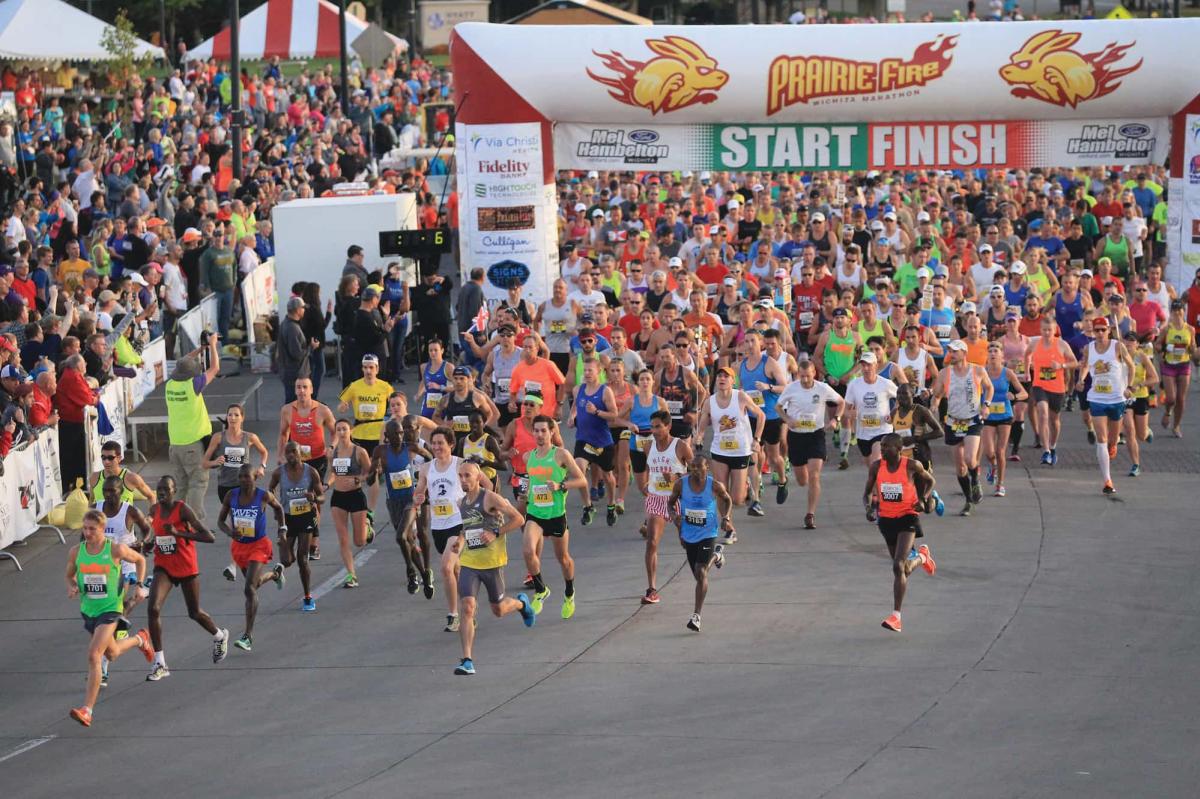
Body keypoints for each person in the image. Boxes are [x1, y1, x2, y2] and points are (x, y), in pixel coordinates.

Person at [66, 508, 155, 727]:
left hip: (111, 609)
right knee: (112, 653)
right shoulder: (76, 551)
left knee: (94, 654)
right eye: (85, 528)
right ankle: (140, 639)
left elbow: (140, 561)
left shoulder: (115, 549)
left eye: (92, 529)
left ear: (103, 529)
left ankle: (87, 709)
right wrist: (73, 586)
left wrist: (140, 585)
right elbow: (69, 574)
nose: (87, 533)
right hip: (89, 610)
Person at [144, 475, 230, 681]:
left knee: (194, 612)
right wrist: (147, 545)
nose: (162, 493)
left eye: (166, 489)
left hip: (186, 567)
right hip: (163, 566)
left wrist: (179, 534)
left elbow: (209, 537)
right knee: (153, 608)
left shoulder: (182, 509)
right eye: (159, 489)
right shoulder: (154, 510)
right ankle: (160, 663)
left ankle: (219, 636)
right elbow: (157, 536)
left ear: (174, 491)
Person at [454, 461, 535, 675]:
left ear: (478, 476)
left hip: (492, 563)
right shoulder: (461, 502)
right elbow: (466, 529)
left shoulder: (490, 498)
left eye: (468, 476)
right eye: (460, 476)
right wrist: (459, 543)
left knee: (498, 610)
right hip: (470, 562)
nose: (464, 480)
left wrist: (496, 533)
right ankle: (467, 660)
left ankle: (521, 605)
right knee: (468, 607)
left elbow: (519, 518)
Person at [863, 433, 937, 634]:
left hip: (907, 517)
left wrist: (923, 499)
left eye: (886, 447)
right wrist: (869, 508)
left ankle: (896, 617)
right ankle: (922, 557)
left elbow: (930, 481)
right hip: (886, 520)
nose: (882, 450)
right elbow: (867, 492)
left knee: (897, 566)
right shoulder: (877, 467)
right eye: (882, 446)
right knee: (902, 569)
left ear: (897, 449)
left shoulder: (912, 465)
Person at [523, 414, 589, 618]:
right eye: (537, 431)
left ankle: (569, 593)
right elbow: (532, 481)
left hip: (556, 514)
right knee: (527, 551)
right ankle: (541, 590)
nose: (540, 434)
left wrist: (560, 485)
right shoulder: (528, 457)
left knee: (563, 559)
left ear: (552, 432)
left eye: (544, 430)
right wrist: (526, 492)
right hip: (535, 512)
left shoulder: (561, 454)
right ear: (532, 432)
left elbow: (582, 481)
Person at [217, 464, 286, 652]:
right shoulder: (231, 496)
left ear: (254, 478)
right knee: (253, 585)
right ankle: (275, 575)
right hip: (240, 547)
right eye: (240, 477)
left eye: (246, 477)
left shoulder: (263, 495)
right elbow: (220, 522)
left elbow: (279, 509)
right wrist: (231, 532)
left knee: (249, 589)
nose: (243, 480)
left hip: (259, 545)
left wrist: (282, 529)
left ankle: (248, 635)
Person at [775, 357, 844, 529]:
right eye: (802, 376)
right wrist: (787, 419)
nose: (805, 380)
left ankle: (810, 514)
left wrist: (836, 419)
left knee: (814, 475)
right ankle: (794, 481)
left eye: (808, 376)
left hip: (816, 435)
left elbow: (841, 402)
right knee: (802, 480)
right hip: (796, 436)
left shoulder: (822, 388)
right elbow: (778, 407)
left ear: (814, 373)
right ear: (798, 374)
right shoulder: (791, 388)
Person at [203, 404, 270, 580]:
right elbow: (204, 463)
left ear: (242, 418)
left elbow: (264, 452)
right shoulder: (218, 437)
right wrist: (215, 461)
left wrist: (262, 467)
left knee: (241, 524)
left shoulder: (249, 437)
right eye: (230, 415)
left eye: (236, 415)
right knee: (238, 524)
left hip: (245, 486)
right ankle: (240, 561)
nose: (232, 418)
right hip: (226, 487)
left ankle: (236, 564)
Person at [669, 455, 733, 632]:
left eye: (699, 466)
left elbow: (728, 499)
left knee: (701, 571)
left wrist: (726, 517)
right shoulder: (681, 484)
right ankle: (717, 555)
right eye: (692, 466)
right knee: (698, 576)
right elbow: (670, 503)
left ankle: (696, 616)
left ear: (707, 468)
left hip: (708, 533)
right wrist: (675, 517)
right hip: (689, 534)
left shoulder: (714, 485)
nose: (694, 469)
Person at [931, 339, 994, 516]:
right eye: (950, 351)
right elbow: (937, 393)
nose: (952, 354)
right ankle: (968, 500)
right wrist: (934, 401)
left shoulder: (977, 370)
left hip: (972, 420)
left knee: (969, 458)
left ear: (964, 353)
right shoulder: (945, 373)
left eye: (956, 351)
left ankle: (975, 479)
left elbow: (989, 388)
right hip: (953, 421)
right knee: (959, 467)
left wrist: (986, 404)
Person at [414, 427, 468, 631]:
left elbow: (484, 485)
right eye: (433, 443)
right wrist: (418, 497)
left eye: (440, 443)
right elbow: (419, 492)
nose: (436, 447)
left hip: (458, 522)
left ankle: (453, 615)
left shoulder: (460, 464)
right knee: (455, 570)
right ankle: (469, 609)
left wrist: (484, 506)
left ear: (451, 445)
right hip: (438, 525)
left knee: (446, 567)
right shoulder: (427, 468)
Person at [276, 376, 335, 559]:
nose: (301, 391)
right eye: (298, 387)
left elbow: (336, 432)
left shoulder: (322, 410)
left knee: (315, 500)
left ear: (311, 389)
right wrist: (279, 455)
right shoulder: (287, 410)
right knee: (298, 497)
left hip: (318, 460)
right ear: (295, 390)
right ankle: (299, 534)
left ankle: (314, 543)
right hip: (296, 461)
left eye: (305, 387)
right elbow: (283, 434)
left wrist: (331, 447)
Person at [1075, 317, 1134, 495]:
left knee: (1112, 440)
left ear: (1109, 330)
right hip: (1097, 398)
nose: (1100, 333)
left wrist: (1129, 387)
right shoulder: (1089, 348)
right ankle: (1107, 480)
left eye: (1103, 330)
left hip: (1116, 398)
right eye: (1097, 330)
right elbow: (1085, 365)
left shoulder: (1118, 346)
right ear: (1093, 332)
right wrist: (1081, 379)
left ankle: (1112, 445)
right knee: (1101, 438)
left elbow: (1131, 367)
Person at [696, 365, 764, 515]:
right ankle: (727, 525)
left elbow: (761, 415)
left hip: (740, 451)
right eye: (719, 376)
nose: (722, 378)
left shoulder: (740, 396)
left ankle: (746, 487)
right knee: (721, 492)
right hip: (719, 451)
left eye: (726, 376)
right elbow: (702, 424)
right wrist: (699, 436)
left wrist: (756, 439)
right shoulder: (710, 401)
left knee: (737, 499)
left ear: (733, 381)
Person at [165, 333, 221, 516]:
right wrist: (212, 345)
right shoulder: (194, 385)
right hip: (193, 444)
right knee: (198, 483)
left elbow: (184, 361)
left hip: (175, 444)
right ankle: (194, 521)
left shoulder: (170, 385)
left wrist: (200, 348)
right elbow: (215, 368)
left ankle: (178, 519)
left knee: (181, 486)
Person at [642, 409, 692, 604]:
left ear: (668, 426)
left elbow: (697, 473)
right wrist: (647, 484)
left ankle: (707, 560)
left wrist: (676, 477)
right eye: (652, 427)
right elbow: (649, 469)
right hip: (656, 498)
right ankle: (652, 589)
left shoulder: (680, 446)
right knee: (651, 541)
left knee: (686, 542)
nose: (654, 431)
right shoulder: (648, 446)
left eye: (658, 427)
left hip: (678, 499)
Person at [268, 442, 325, 612]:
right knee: (287, 560)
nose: (291, 455)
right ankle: (281, 566)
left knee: (303, 558)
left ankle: (308, 597)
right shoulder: (279, 472)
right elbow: (269, 490)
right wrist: (275, 504)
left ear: (301, 453)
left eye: (294, 451)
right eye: (288, 452)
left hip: (306, 516)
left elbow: (322, 497)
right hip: (287, 518)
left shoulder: (311, 472)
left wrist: (314, 498)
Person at [737, 329, 791, 507]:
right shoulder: (742, 366)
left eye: (753, 341)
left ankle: (782, 481)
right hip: (752, 418)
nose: (750, 345)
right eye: (747, 341)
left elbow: (785, 387)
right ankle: (756, 491)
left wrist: (768, 386)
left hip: (771, 416)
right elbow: (741, 390)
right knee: (754, 454)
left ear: (760, 343)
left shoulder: (769, 363)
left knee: (774, 457)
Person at [337, 353, 391, 520]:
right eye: (365, 367)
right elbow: (341, 405)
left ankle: (371, 510)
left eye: (371, 368)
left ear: (377, 369)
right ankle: (355, 505)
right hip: (359, 435)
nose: (368, 371)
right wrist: (343, 407)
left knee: (373, 473)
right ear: (362, 369)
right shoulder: (354, 386)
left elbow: (398, 405)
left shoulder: (385, 387)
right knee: (356, 472)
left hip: (378, 435)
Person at [569, 357, 619, 526]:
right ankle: (587, 506)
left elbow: (614, 414)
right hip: (583, 439)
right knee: (579, 471)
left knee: (608, 477)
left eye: (591, 370)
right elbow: (575, 406)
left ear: (599, 372)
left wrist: (597, 412)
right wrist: (571, 417)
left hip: (603, 441)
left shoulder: (605, 391)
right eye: (585, 370)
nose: (587, 373)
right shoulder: (578, 389)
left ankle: (611, 505)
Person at [325, 418, 374, 588]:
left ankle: (367, 524)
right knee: (343, 539)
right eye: (338, 430)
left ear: (350, 431)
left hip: (356, 497)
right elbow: (332, 473)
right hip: (338, 498)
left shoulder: (359, 451)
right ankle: (351, 575)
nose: (341, 433)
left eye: (344, 429)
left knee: (359, 541)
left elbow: (369, 472)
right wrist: (326, 485)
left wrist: (358, 479)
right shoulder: (332, 453)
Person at [94, 475, 152, 615]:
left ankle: (121, 631)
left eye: (112, 491)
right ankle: (141, 593)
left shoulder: (130, 511)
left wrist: (142, 542)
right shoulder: (95, 509)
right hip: (103, 562)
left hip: (126, 563)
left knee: (117, 604)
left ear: (120, 491)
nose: (108, 494)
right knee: (105, 605)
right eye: (105, 490)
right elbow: (84, 535)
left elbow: (147, 530)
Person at [1026, 313, 1078, 466]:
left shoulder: (1061, 344)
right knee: (1042, 412)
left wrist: (1061, 366)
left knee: (1054, 420)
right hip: (1039, 385)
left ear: (1055, 330)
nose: (1046, 333)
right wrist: (1028, 368)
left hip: (1057, 388)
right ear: (1040, 330)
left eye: (1049, 330)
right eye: (1044, 330)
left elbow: (1075, 363)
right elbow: (1027, 353)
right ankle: (1046, 451)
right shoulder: (1035, 343)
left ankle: (1053, 446)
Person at [981, 342, 1027, 498]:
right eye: (990, 351)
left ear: (1002, 356)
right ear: (987, 355)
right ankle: (993, 466)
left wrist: (1014, 396)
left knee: (1000, 451)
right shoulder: (982, 372)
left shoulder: (1007, 373)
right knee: (989, 452)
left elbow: (1024, 393)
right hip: (988, 415)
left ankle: (1000, 485)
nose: (993, 354)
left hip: (1004, 416)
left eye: (996, 351)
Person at [843, 351, 899, 468]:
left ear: (876, 366)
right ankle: (878, 485)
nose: (866, 368)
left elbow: (902, 397)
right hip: (863, 433)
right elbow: (845, 409)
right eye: (863, 365)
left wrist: (893, 413)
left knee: (876, 463)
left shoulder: (886, 383)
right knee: (871, 470)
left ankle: (882, 484)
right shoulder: (854, 385)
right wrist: (849, 413)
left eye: (869, 365)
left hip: (882, 431)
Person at [1156, 300, 1194, 439]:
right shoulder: (1167, 329)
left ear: (1184, 312)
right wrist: (1166, 347)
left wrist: (1192, 349)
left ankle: (1176, 426)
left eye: (1180, 310)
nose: (1177, 313)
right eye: (1174, 310)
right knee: (1171, 398)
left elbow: (1193, 347)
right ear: (1171, 312)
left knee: (1181, 399)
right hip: (1169, 365)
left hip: (1184, 365)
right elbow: (1157, 345)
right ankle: (1167, 412)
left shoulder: (1190, 329)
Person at [90, 440, 153, 505]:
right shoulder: (94, 477)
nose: (106, 461)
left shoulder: (131, 478)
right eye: (103, 457)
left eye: (110, 458)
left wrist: (151, 515)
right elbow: (91, 500)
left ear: (119, 458)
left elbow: (151, 496)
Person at [277, 296, 311, 404]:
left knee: (292, 404)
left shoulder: (285, 323)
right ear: (297, 310)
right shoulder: (292, 328)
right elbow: (297, 354)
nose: (304, 310)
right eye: (303, 308)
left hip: (289, 372)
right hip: (294, 374)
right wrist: (311, 348)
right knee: (294, 404)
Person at [416, 339, 452, 419]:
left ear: (442, 351)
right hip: (427, 407)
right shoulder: (423, 367)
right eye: (430, 350)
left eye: (436, 350)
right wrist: (419, 394)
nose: (433, 353)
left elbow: (458, 388)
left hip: (442, 408)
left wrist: (440, 387)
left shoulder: (448, 367)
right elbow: (423, 381)